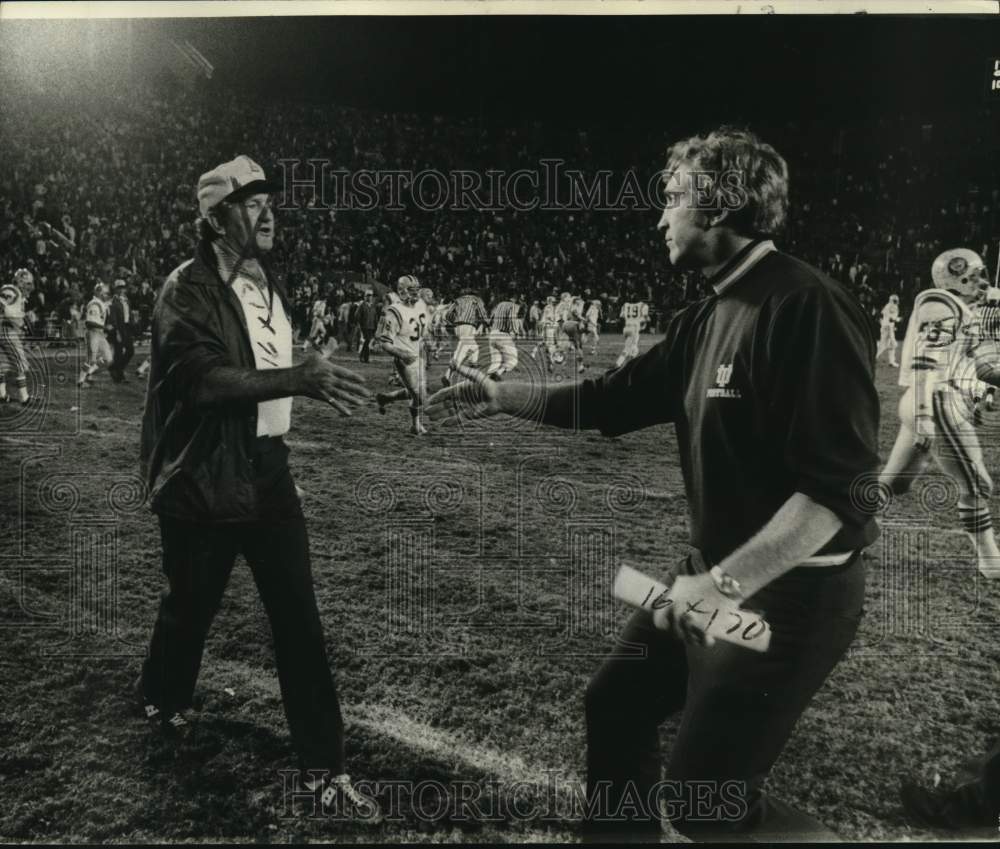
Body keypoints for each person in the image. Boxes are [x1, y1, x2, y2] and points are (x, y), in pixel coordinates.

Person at [427, 128, 879, 841]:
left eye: (672, 199)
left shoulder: (805, 306)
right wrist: (501, 395)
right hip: (714, 575)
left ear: (719, 206)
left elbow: (839, 493)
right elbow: (611, 398)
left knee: (707, 802)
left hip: (788, 597)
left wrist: (723, 583)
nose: (659, 217)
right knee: (616, 703)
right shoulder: (704, 314)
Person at [137, 155, 377, 815]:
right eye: (250, 202)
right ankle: (163, 694)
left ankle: (325, 768)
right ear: (216, 219)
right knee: (189, 605)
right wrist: (297, 378)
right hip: (204, 475)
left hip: (267, 471)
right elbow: (205, 381)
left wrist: (296, 392)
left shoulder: (264, 281)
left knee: (299, 618)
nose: (268, 211)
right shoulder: (183, 289)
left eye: (270, 198)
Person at [879, 248, 1000, 578]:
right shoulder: (940, 303)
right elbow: (925, 362)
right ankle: (991, 562)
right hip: (934, 398)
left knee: (894, 483)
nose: (983, 283)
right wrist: (922, 418)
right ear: (958, 278)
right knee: (977, 484)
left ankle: (842, 530)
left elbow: (986, 369)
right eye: (976, 277)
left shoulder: (964, 311)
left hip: (937, 398)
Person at [374, 275, 430, 435]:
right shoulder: (394, 311)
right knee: (420, 396)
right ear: (402, 291)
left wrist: (428, 341)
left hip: (419, 354)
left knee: (416, 392)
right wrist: (401, 353)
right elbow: (384, 342)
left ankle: (386, 399)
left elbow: (422, 329)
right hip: (405, 359)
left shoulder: (420, 304)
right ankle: (415, 425)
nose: (416, 294)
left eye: (417, 290)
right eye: (412, 291)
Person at [0, 268, 34, 406]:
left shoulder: (13, 292)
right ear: (20, 282)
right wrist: (21, 322)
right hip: (5, 330)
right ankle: (24, 398)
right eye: (27, 283)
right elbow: (4, 307)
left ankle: (2, 395)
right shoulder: (12, 290)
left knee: (1, 365)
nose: (29, 287)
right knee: (20, 364)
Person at [442, 289, 489, 386]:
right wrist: (487, 322)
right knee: (462, 351)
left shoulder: (458, 300)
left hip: (458, 327)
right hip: (468, 326)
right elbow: (482, 313)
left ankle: (472, 374)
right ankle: (447, 375)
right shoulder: (476, 299)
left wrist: (454, 321)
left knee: (474, 348)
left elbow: (448, 315)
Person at [77, 281, 113, 388]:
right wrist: (105, 327)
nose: (106, 295)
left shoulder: (101, 303)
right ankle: (81, 380)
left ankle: (89, 373)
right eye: (104, 293)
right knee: (90, 359)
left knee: (108, 358)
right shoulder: (94, 304)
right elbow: (89, 322)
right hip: (93, 333)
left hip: (99, 334)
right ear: (99, 292)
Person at [486, 295, 520, 381]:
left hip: (493, 333)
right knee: (513, 360)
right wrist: (516, 332)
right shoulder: (512, 305)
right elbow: (512, 319)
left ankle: (485, 382)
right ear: (514, 299)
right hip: (503, 335)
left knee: (495, 362)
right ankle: (497, 374)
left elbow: (489, 321)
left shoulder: (499, 305)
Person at [108, 278, 135, 383]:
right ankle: (119, 376)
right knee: (118, 353)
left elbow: (130, 314)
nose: (121, 290)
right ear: (115, 289)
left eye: (122, 288)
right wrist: (117, 332)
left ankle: (115, 368)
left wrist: (133, 325)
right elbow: (113, 318)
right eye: (119, 288)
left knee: (130, 351)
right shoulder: (113, 302)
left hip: (127, 328)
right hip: (119, 328)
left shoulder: (126, 300)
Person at [876, 293, 901, 367]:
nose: (896, 301)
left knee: (889, 345)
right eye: (895, 300)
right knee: (886, 344)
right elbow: (891, 319)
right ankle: (873, 357)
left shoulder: (887, 305)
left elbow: (882, 314)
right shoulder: (893, 306)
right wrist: (898, 319)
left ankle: (891, 361)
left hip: (885, 326)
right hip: (888, 327)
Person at [357, 290, 379, 363]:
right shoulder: (362, 305)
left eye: (371, 296)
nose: (369, 297)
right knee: (366, 341)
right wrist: (360, 324)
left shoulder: (373, 306)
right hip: (364, 326)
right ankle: (364, 357)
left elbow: (375, 317)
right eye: (368, 295)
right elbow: (357, 316)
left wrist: (376, 326)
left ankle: (363, 357)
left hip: (371, 327)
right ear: (365, 297)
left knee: (368, 342)